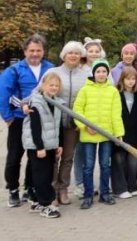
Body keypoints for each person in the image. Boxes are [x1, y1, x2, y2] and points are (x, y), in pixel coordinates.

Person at [1, 34, 53, 208]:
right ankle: (13, 189)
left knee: (35, 156)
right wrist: (8, 118)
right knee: (15, 156)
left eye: (38, 50)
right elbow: (4, 95)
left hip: (40, 120)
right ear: (25, 51)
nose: (35, 54)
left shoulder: (50, 69)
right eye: (32, 50)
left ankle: (30, 187)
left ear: (43, 51)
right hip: (18, 119)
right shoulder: (14, 70)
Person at [74, 59, 123, 209]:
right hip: (89, 134)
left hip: (107, 135)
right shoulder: (85, 90)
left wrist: (118, 133)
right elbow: (77, 111)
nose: (101, 74)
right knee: (88, 166)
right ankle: (88, 195)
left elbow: (116, 114)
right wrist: (85, 126)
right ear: (93, 73)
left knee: (105, 165)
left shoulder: (113, 91)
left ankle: (105, 193)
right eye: (98, 71)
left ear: (108, 74)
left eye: (104, 71)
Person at [42, 41, 86, 205]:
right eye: (70, 53)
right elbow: (38, 91)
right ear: (64, 55)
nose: (73, 56)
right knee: (54, 157)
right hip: (53, 122)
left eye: (76, 53)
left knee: (68, 157)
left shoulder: (84, 75)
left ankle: (63, 188)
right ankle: (52, 189)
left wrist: (81, 121)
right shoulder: (53, 71)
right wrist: (26, 103)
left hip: (73, 124)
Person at [22, 72, 64, 218]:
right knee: (42, 176)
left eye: (56, 85)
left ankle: (36, 201)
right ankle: (45, 204)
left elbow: (58, 126)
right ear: (43, 85)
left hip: (51, 144)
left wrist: (59, 144)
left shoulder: (56, 102)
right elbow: (35, 126)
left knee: (45, 175)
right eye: (51, 85)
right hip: (38, 146)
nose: (54, 87)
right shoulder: (36, 102)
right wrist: (39, 147)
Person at [112, 67, 137, 199]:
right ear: (122, 79)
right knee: (119, 160)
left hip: (135, 132)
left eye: (133, 79)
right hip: (119, 131)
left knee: (133, 161)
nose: (131, 82)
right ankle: (120, 188)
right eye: (128, 79)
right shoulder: (116, 93)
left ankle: (132, 185)